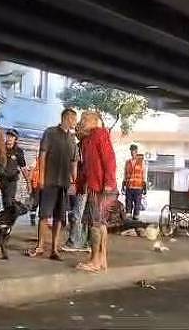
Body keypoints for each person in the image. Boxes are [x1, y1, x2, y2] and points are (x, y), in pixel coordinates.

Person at [26, 109, 78, 261]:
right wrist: (41, 177)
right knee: (44, 215)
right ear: (66, 118)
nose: (75, 122)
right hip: (49, 181)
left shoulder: (72, 139)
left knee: (59, 217)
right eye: (73, 119)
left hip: (64, 184)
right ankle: (40, 246)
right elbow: (42, 155)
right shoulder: (50, 133)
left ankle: (54, 249)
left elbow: (74, 162)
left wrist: (75, 181)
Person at [75, 111, 117, 273]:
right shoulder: (87, 140)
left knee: (95, 224)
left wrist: (108, 183)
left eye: (85, 119)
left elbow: (109, 160)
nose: (82, 122)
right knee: (100, 224)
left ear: (95, 121)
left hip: (101, 188)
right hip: (96, 186)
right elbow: (85, 168)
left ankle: (95, 261)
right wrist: (80, 186)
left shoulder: (99, 134)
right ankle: (101, 259)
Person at [0, 129, 27, 210]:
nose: (9, 138)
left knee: (9, 202)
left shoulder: (18, 151)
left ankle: (8, 220)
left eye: (12, 136)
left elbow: (23, 167)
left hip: (12, 180)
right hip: (0, 178)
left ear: (15, 139)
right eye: (8, 136)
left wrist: (28, 182)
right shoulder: (1, 148)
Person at [123, 145, 146, 219]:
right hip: (129, 187)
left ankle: (136, 219)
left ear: (136, 152)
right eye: (131, 151)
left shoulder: (141, 162)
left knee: (137, 204)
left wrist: (144, 185)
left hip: (138, 187)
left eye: (134, 151)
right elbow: (125, 174)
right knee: (128, 204)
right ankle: (129, 220)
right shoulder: (127, 162)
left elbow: (144, 173)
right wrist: (123, 184)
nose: (132, 153)